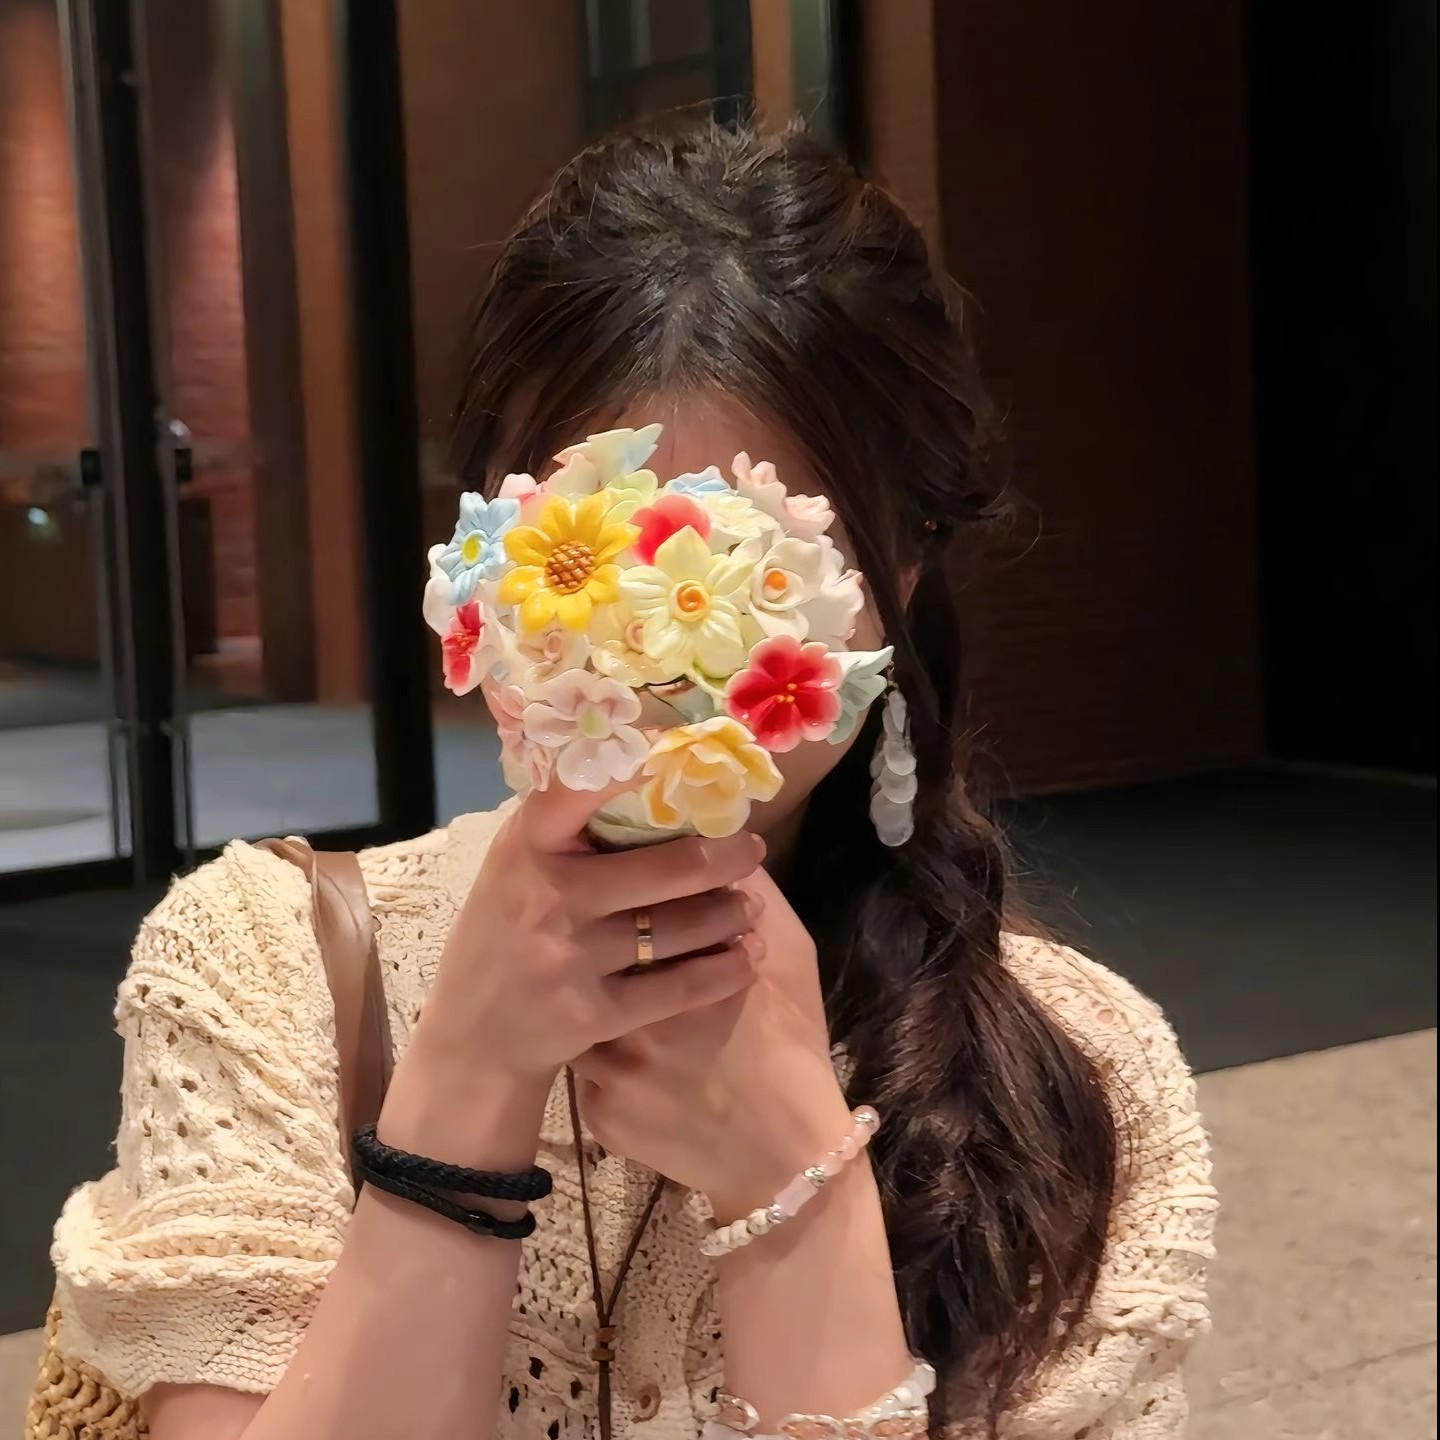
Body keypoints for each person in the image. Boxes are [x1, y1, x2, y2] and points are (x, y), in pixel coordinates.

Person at [46, 122, 1215, 1440]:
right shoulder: (264, 968)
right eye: (593, 570)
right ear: (488, 571)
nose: (670, 680)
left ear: (898, 569)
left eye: (754, 579)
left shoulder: (1080, 1080)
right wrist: (460, 1093)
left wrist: (795, 1184)